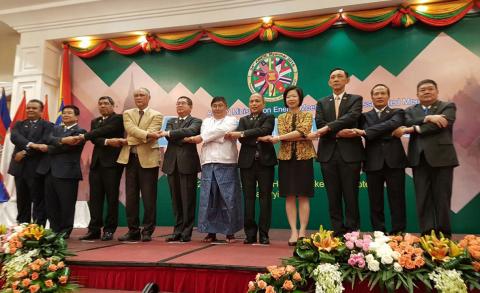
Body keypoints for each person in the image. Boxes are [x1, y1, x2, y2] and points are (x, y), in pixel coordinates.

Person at [392, 79, 458, 237]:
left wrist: (414, 128)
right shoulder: (410, 109)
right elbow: (406, 121)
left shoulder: (447, 106)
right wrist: (428, 118)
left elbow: (442, 124)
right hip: (418, 159)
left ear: (437, 91)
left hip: (442, 159)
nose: (426, 92)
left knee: (442, 198)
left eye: (430, 89)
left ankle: (444, 235)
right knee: (423, 198)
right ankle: (427, 234)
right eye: (423, 90)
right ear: (417, 94)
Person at [339, 84, 408, 234]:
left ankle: (398, 232)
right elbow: (387, 129)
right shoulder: (363, 116)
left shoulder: (398, 112)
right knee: (375, 202)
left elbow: (392, 124)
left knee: (397, 200)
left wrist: (366, 132)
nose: (379, 96)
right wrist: (383, 132)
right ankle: (379, 232)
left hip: (394, 161)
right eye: (376, 94)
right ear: (372, 97)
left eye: (383, 93)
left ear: (388, 96)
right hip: (372, 162)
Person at [311, 68, 364, 236]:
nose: (336, 79)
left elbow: (352, 117)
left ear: (347, 80)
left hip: (350, 155)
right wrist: (338, 132)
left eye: (340, 76)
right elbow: (319, 122)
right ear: (329, 82)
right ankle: (337, 231)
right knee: (333, 196)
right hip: (328, 155)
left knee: (350, 195)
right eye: (332, 77)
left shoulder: (356, 99)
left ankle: (352, 232)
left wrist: (329, 128)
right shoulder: (321, 102)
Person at [187, 96, 242, 243]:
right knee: (209, 198)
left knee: (227, 198)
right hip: (208, 162)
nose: (217, 108)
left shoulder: (232, 120)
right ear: (211, 108)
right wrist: (215, 136)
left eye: (220, 105)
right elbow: (218, 134)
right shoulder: (206, 121)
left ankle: (230, 232)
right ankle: (210, 232)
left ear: (226, 107)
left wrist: (203, 137)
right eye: (214, 106)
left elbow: (222, 130)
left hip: (226, 161)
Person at [227, 93, 277, 245]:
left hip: (265, 162)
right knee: (248, 198)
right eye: (251, 101)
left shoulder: (269, 117)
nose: (254, 103)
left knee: (265, 199)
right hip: (247, 163)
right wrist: (256, 136)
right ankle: (249, 234)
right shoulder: (243, 119)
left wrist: (243, 133)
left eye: (257, 101)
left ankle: (264, 234)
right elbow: (243, 139)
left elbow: (265, 130)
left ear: (263, 104)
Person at [270, 86, 316, 246]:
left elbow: (302, 130)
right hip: (286, 158)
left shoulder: (308, 115)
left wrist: (291, 136)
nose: (291, 99)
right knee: (289, 195)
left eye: (294, 96)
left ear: (300, 98)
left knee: (303, 195)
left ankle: (303, 231)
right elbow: (294, 135)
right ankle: (293, 231)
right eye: (288, 97)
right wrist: (302, 136)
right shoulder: (281, 117)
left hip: (304, 158)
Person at [117, 87, 163, 242]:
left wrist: (132, 138)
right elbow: (131, 129)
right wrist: (146, 134)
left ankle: (147, 231)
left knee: (149, 197)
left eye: (142, 95)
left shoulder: (157, 115)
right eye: (136, 95)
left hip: (149, 160)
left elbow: (152, 136)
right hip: (130, 159)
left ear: (149, 97)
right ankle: (133, 230)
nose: (138, 97)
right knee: (131, 197)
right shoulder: (127, 113)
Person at [75, 96, 125, 241]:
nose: (102, 106)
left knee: (111, 198)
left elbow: (105, 130)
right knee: (95, 198)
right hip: (96, 163)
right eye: (100, 104)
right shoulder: (95, 121)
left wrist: (84, 136)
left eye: (106, 103)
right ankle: (94, 229)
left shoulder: (118, 119)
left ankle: (109, 230)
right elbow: (95, 138)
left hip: (112, 164)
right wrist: (107, 141)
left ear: (113, 105)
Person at [36, 105, 86, 239]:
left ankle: (65, 230)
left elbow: (67, 148)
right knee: (51, 203)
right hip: (49, 171)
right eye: (64, 113)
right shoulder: (55, 128)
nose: (66, 115)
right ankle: (54, 229)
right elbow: (47, 139)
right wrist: (62, 141)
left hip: (67, 172)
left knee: (66, 203)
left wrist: (50, 147)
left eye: (69, 113)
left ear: (76, 116)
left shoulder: (80, 131)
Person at [159, 96, 202, 243]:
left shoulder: (196, 121)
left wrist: (171, 134)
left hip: (188, 164)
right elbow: (169, 138)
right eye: (178, 103)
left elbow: (192, 131)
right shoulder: (171, 121)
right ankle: (176, 231)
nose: (179, 105)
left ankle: (186, 232)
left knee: (188, 199)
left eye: (183, 103)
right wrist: (179, 136)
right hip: (172, 164)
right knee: (175, 200)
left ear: (190, 107)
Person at [8, 99, 52, 226]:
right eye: (28, 108)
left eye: (34, 108)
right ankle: (22, 226)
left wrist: (25, 152)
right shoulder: (19, 124)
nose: (30, 110)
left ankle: (38, 228)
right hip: (20, 167)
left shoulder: (48, 125)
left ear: (41, 111)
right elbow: (15, 137)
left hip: (37, 168)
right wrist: (32, 145)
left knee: (38, 199)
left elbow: (44, 142)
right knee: (22, 200)